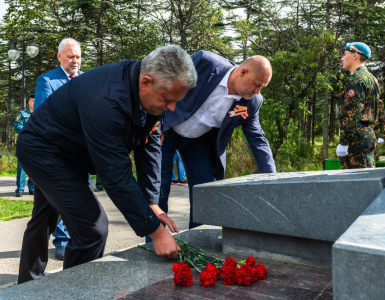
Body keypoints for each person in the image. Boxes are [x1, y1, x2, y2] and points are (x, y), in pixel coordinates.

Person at [16, 44, 196, 284]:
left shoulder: (151, 91)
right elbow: (115, 175)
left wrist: (152, 203)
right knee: (91, 228)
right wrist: (155, 231)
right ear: (146, 82)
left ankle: (27, 284)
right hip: (44, 149)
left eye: (175, 101)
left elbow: (149, 144)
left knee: (43, 217)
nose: (171, 108)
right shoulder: (107, 100)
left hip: (73, 151)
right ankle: (74, 292)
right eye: (167, 99)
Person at [159, 50, 276, 230]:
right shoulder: (205, 62)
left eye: (262, 87)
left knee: (205, 197)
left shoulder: (252, 102)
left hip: (199, 143)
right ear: (243, 72)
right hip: (168, 131)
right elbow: (165, 82)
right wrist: (157, 122)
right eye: (256, 85)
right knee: (159, 190)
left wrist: (272, 180)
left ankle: (197, 246)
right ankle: (154, 244)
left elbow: (258, 139)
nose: (257, 91)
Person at [34, 38, 83, 260]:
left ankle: (75, 237)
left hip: (79, 151)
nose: (75, 60)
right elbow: (44, 118)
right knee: (53, 200)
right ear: (59, 56)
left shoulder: (86, 80)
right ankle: (61, 241)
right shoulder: (47, 81)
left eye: (78, 56)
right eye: (71, 56)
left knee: (77, 195)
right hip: (54, 151)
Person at [336, 42, 380, 169]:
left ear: (355, 55)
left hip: (356, 138)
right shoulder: (372, 79)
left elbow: (351, 114)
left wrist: (344, 142)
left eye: (345, 54)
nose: (342, 58)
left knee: (354, 183)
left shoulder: (356, 80)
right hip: (369, 135)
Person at [14, 94, 35, 197]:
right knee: (22, 167)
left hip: (36, 144)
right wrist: (29, 131)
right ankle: (20, 189)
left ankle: (32, 188)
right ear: (29, 102)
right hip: (24, 144)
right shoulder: (22, 114)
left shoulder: (39, 113)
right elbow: (17, 126)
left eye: (36, 101)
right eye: (32, 101)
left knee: (34, 167)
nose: (34, 102)